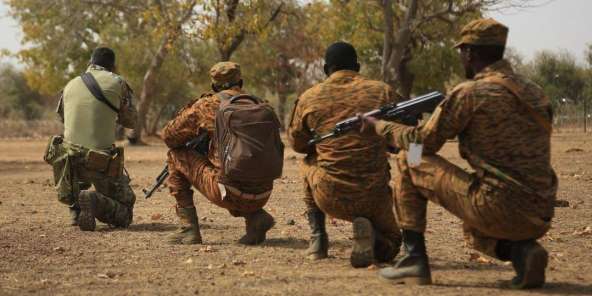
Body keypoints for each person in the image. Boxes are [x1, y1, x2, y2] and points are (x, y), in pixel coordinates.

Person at [360, 19, 556, 289]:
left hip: (498, 206)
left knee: (410, 157)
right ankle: (522, 252)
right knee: (472, 231)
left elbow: (422, 142)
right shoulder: (535, 92)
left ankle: (413, 258)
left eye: (461, 52)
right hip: (541, 211)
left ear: (470, 53)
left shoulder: (470, 93)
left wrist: (380, 126)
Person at [287, 42, 403, 268]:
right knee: (393, 243)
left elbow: (298, 145)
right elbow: (402, 139)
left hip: (330, 196)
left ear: (325, 69)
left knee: (308, 161)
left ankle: (318, 239)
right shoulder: (383, 91)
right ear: (357, 66)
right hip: (375, 196)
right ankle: (376, 238)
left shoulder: (310, 97)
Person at [162, 61, 276, 245]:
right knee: (238, 167)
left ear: (214, 86)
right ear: (241, 82)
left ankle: (188, 229)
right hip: (264, 192)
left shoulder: (207, 105)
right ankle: (255, 217)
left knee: (175, 155)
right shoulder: (261, 105)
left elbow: (169, 136)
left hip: (228, 193)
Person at [46, 47, 137, 231]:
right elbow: (131, 121)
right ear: (113, 66)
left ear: (90, 62)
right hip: (100, 162)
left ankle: (76, 210)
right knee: (126, 211)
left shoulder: (70, 85)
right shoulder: (118, 82)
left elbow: (63, 118)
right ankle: (94, 201)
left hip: (69, 163)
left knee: (73, 149)